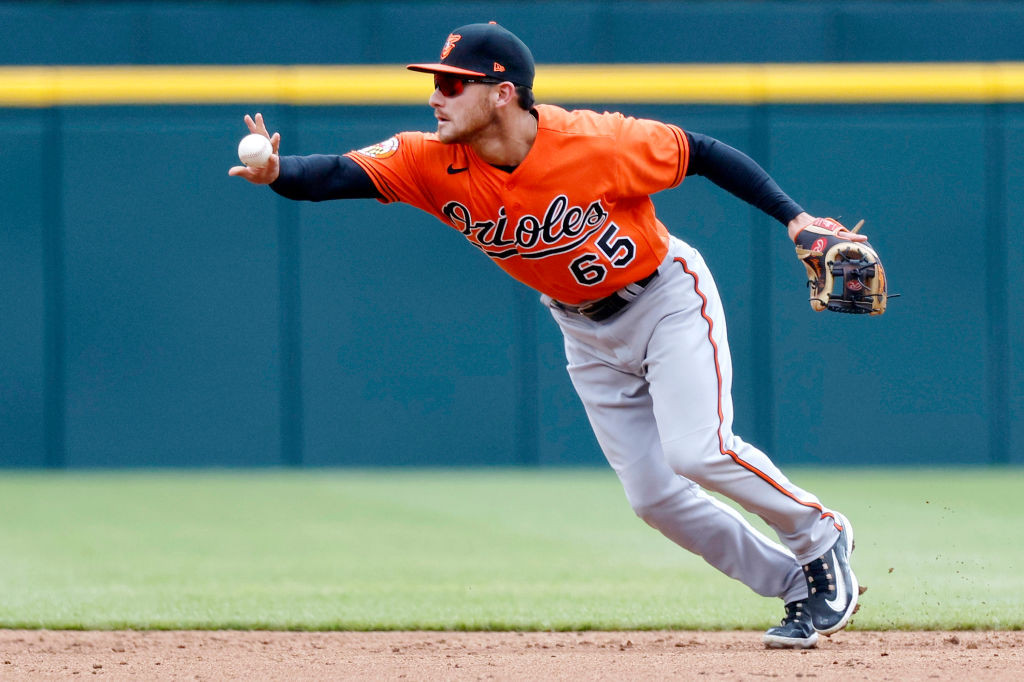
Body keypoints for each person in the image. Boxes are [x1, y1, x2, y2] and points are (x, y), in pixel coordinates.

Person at [230, 22, 862, 649]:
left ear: (502, 93)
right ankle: (797, 584)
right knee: (653, 497)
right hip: (583, 332)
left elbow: (702, 152)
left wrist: (796, 219)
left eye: (453, 84)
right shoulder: (430, 161)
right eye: (436, 83)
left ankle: (819, 535)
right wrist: (278, 170)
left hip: (666, 298)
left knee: (698, 450)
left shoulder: (595, 140)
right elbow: (337, 175)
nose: (435, 97)